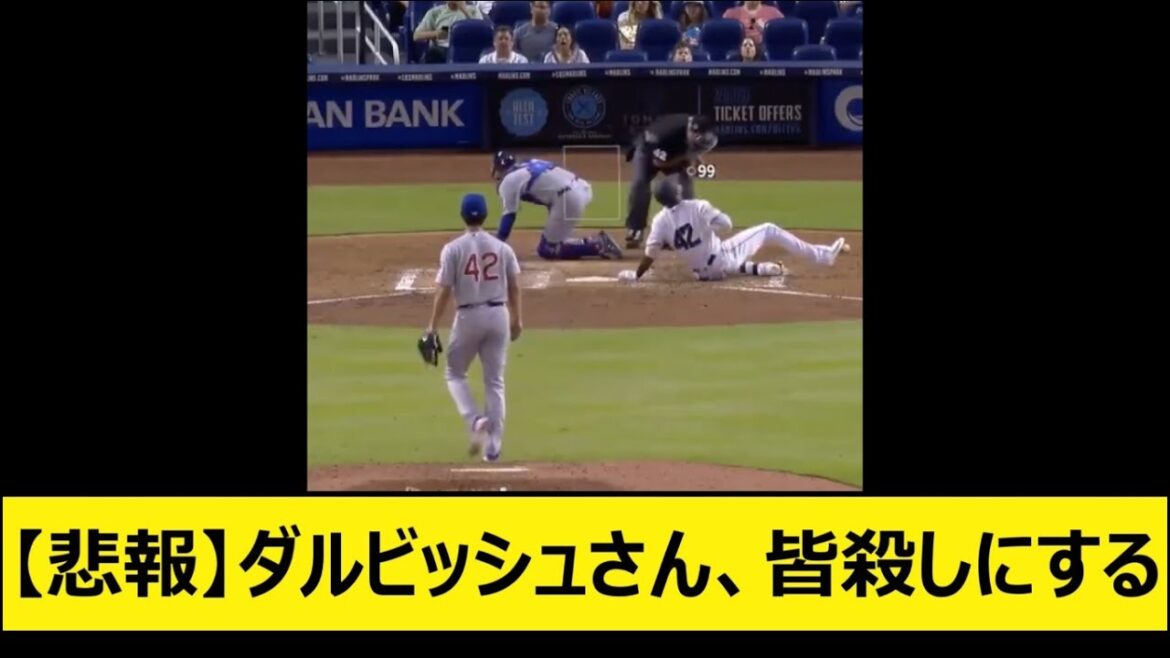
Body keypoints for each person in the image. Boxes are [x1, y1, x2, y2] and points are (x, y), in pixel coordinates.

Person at [425, 193, 524, 462]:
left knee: (454, 374)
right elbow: (514, 286)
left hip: (468, 316)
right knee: (495, 381)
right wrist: (517, 319)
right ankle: (493, 447)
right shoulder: (502, 248)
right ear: (485, 215)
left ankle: (475, 419)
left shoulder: (452, 249)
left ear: (462, 216)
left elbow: (444, 290)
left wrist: (432, 327)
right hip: (499, 315)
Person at [617, 179, 849, 283]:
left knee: (725, 253)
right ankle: (823, 256)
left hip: (701, 273)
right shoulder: (698, 206)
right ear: (675, 192)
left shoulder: (659, 221)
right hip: (720, 259)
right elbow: (727, 224)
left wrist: (636, 275)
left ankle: (758, 269)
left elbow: (650, 254)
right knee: (768, 228)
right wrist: (707, 227)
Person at [491, 151, 624, 260]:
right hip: (582, 188)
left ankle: (599, 246)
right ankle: (589, 242)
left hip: (569, 198)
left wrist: (497, 244)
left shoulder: (509, 181)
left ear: (498, 168)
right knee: (553, 236)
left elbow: (509, 216)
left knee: (547, 250)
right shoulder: (530, 163)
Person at [621, 113, 718, 248]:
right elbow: (658, 163)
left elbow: (693, 151)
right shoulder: (667, 133)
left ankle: (683, 230)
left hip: (676, 152)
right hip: (647, 151)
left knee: (678, 191)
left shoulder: (696, 132)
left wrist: (696, 162)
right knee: (640, 184)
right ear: (691, 130)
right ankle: (635, 229)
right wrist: (685, 158)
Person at [414, 1, 485, 63]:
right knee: (431, 54)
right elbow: (416, 36)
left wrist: (465, 10)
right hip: (442, 50)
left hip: (468, 49)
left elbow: (481, 32)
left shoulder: (473, 11)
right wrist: (437, 33)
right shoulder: (435, 12)